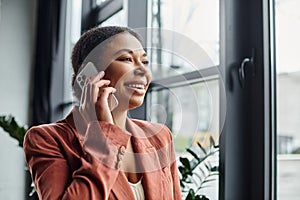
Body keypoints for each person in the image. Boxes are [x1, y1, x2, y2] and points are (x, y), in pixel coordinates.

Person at [23, 26, 182, 200]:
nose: (144, 71)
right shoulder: (48, 139)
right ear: (89, 73)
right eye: (127, 59)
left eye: (144, 61)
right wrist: (105, 136)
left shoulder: (159, 137)